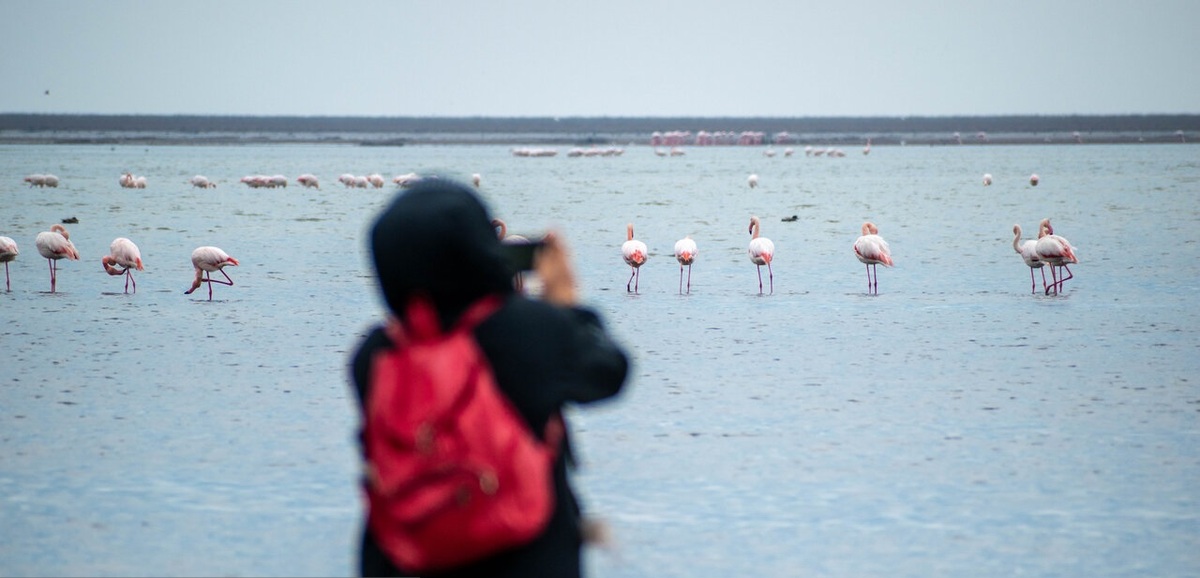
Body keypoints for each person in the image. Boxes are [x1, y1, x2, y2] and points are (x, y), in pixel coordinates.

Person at [349, 177, 630, 577]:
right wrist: (565, 304)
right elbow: (609, 372)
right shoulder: (529, 332)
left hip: (402, 557)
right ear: (479, 249)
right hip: (526, 556)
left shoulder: (374, 356)